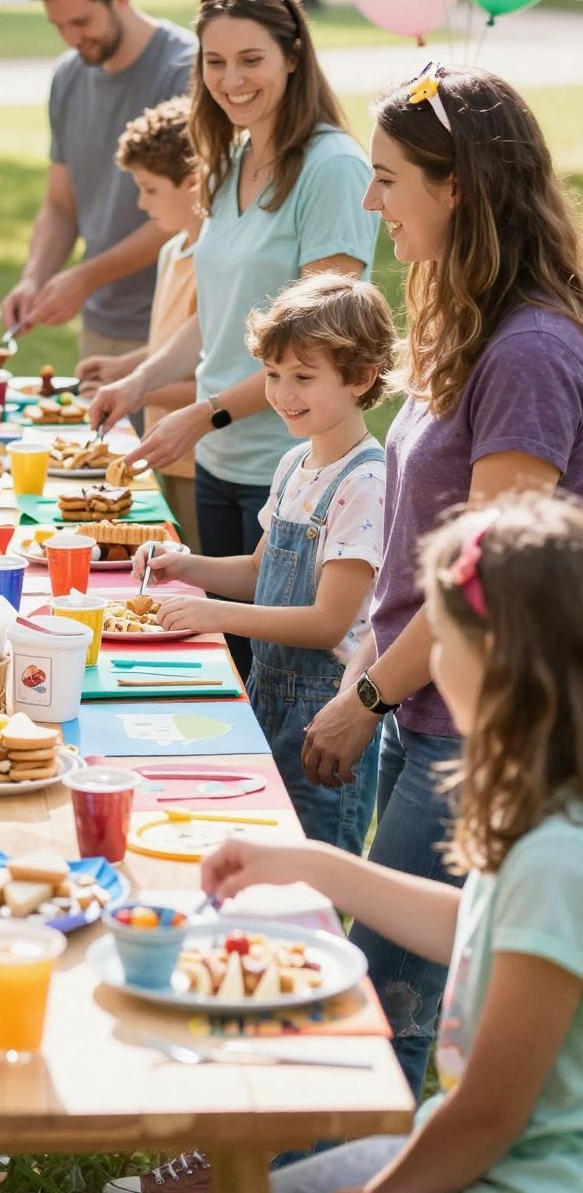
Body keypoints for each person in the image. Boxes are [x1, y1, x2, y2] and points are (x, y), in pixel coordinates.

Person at [151, 492, 583, 1193]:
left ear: (499, 661)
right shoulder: (541, 804)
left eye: (441, 637)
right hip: (500, 1177)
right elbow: (476, 925)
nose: (424, 656)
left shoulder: (556, 854)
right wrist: (313, 864)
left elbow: (487, 1116)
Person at [300, 62, 583, 1098]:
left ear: (454, 186)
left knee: (384, 989)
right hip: (418, 698)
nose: (371, 203)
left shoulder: (532, 348)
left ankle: (320, 1170)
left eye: (387, 180)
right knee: (394, 981)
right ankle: (329, 1160)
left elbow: (480, 572)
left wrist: (367, 696)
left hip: (477, 722)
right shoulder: (462, 321)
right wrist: (373, 680)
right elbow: (420, 539)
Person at [92, 0, 378, 691]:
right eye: (215, 62)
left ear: (293, 56)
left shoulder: (333, 168)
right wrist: (139, 381)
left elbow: (323, 341)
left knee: (279, 680)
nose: (232, 79)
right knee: (227, 675)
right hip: (220, 463)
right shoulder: (229, 158)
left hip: (290, 469)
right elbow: (215, 311)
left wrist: (203, 412)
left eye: (251, 59)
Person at [133, 274, 394, 852]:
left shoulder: (365, 483)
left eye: (303, 377)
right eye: (273, 375)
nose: (282, 393)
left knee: (311, 865)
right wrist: (187, 567)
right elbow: (259, 574)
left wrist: (216, 617)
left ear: (360, 377)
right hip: (266, 695)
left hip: (323, 720)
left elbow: (327, 623)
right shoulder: (295, 463)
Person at [3, 0, 196, 360]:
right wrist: (34, 278)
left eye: (81, 22)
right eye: (58, 25)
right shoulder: (68, 76)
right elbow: (60, 205)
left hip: (174, 325)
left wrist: (85, 278)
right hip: (98, 323)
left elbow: (190, 208)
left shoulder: (184, 71)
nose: (72, 39)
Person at [77, 97, 203, 550]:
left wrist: (137, 391)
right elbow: (173, 348)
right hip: (163, 450)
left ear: (193, 182)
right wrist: (123, 368)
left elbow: (207, 377)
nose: (140, 202)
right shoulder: (172, 251)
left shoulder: (213, 262)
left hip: (200, 456)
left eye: (150, 189)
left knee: (196, 562)